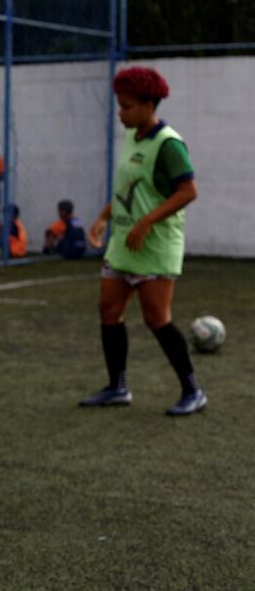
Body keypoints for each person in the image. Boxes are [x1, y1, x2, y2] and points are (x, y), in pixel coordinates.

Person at [79, 66, 205, 416]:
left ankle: (193, 391)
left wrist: (147, 222)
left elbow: (188, 192)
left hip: (155, 244)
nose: (121, 113)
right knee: (108, 311)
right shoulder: (132, 138)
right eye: (120, 106)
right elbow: (126, 190)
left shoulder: (169, 145)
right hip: (124, 243)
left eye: (127, 106)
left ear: (150, 105)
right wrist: (103, 218)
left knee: (157, 318)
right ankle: (117, 387)